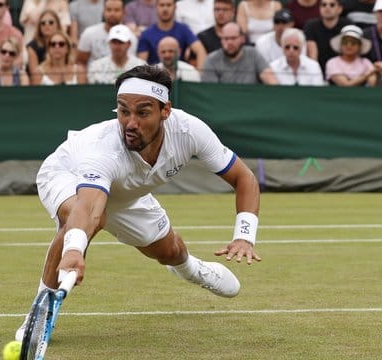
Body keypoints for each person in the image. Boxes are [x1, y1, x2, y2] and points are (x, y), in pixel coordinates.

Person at [14, 64, 261, 342]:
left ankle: (192, 270)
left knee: (171, 251)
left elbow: (244, 177)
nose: (130, 123)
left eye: (142, 112)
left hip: (126, 194)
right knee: (84, 219)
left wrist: (244, 236)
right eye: (123, 111)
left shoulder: (190, 132)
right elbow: (89, 209)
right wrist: (74, 249)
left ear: (165, 111)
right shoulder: (103, 149)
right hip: (66, 175)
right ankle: (40, 317)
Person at [201, 22, 279, 84]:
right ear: (221, 40)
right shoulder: (211, 60)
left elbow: (270, 79)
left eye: (233, 38)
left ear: (242, 39)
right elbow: (210, 91)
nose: (229, 42)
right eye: (226, 39)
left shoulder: (253, 54)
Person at [137, 0, 207, 69]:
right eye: (162, 5)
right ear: (156, 7)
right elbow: (141, 64)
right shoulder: (146, 34)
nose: (165, 9)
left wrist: (200, 75)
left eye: (168, 5)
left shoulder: (183, 29)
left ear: (175, 7)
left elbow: (200, 50)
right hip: (155, 76)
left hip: (179, 76)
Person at [76, 0, 137, 68]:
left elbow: (131, 62)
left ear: (124, 12)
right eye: (108, 10)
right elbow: (81, 62)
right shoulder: (89, 33)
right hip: (95, 76)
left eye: (116, 10)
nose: (112, 13)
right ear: (103, 11)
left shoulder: (131, 37)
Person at [304, 0, 353, 72]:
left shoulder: (348, 25)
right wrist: (315, 73)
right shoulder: (311, 25)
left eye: (332, 5)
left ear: (340, 9)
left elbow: (350, 51)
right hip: (318, 70)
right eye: (323, 5)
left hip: (343, 71)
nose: (327, 7)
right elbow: (312, 54)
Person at [26, 9, 61, 77]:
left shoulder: (65, 43)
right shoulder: (33, 47)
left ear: (57, 24)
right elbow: (34, 75)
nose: (46, 25)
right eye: (43, 23)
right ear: (39, 26)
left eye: (51, 22)